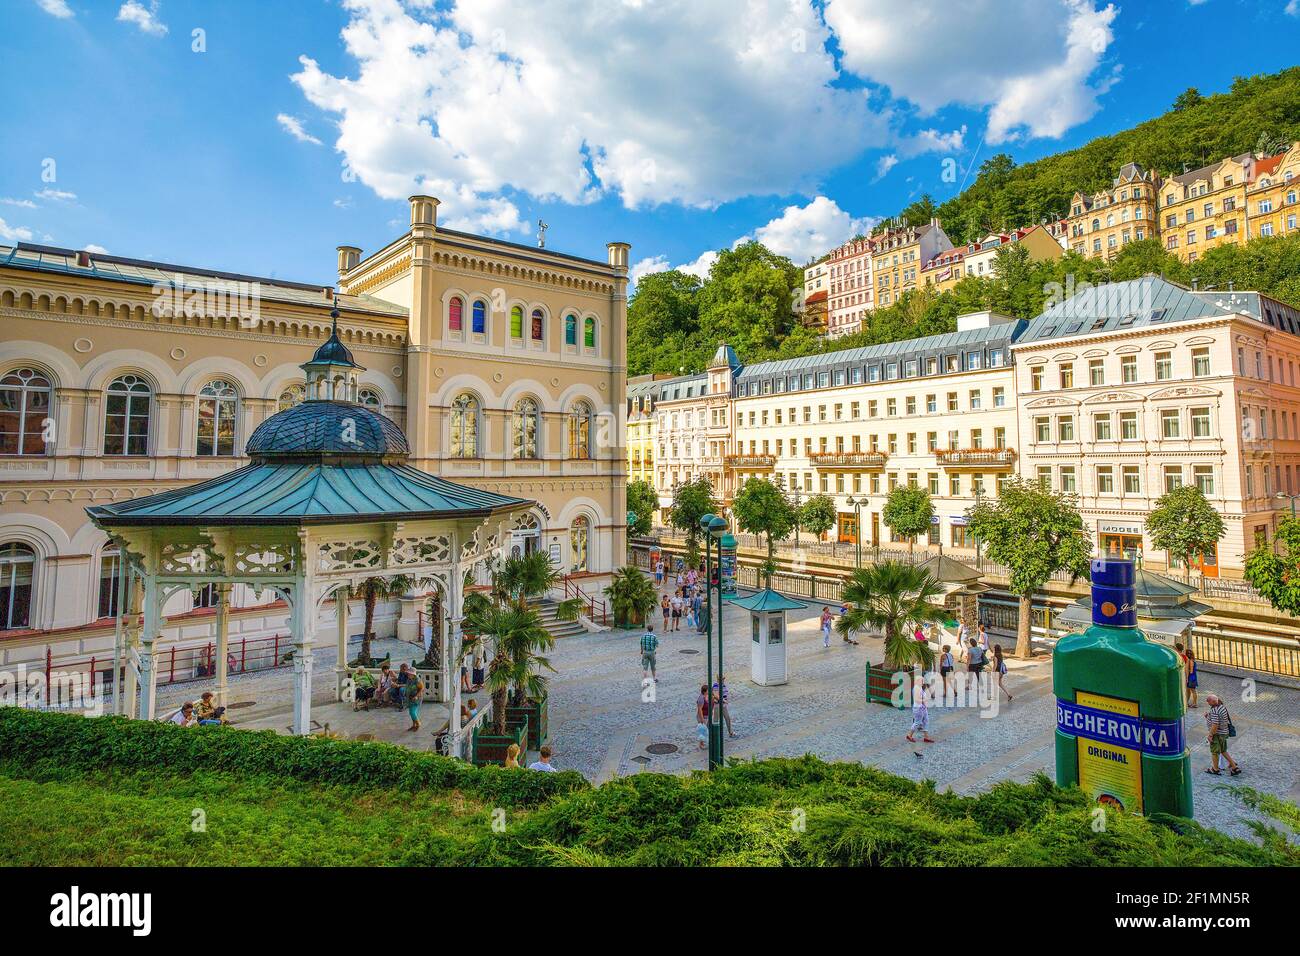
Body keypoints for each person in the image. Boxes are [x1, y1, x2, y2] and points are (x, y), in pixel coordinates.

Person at [1204, 693, 1240, 776]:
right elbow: (1218, 720)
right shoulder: (1222, 707)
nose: (1208, 704)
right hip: (1224, 733)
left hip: (1217, 734)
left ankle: (1215, 769)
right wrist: (1208, 717)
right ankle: (1234, 767)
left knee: (1214, 752)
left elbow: (1215, 725)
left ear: (1213, 702)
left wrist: (1210, 735)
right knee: (1223, 751)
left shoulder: (1215, 710)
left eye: (1208, 702)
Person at [907, 675, 934, 744]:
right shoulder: (916, 688)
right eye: (922, 681)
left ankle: (926, 737)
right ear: (918, 681)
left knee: (926, 721)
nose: (923, 682)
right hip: (918, 709)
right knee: (917, 722)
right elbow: (917, 700)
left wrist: (925, 704)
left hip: (923, 708)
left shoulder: (919, 687)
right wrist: (926, 699)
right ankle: (909, 735)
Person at [695, 684, 709, 750]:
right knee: (702, 731)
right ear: (705, 691)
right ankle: (701, 744)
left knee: (704, 730)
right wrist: (702, 719)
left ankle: (702, 743)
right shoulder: (701, 698)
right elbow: (700, 709)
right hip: (702, 717)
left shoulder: (705, 696)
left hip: (705, 716)